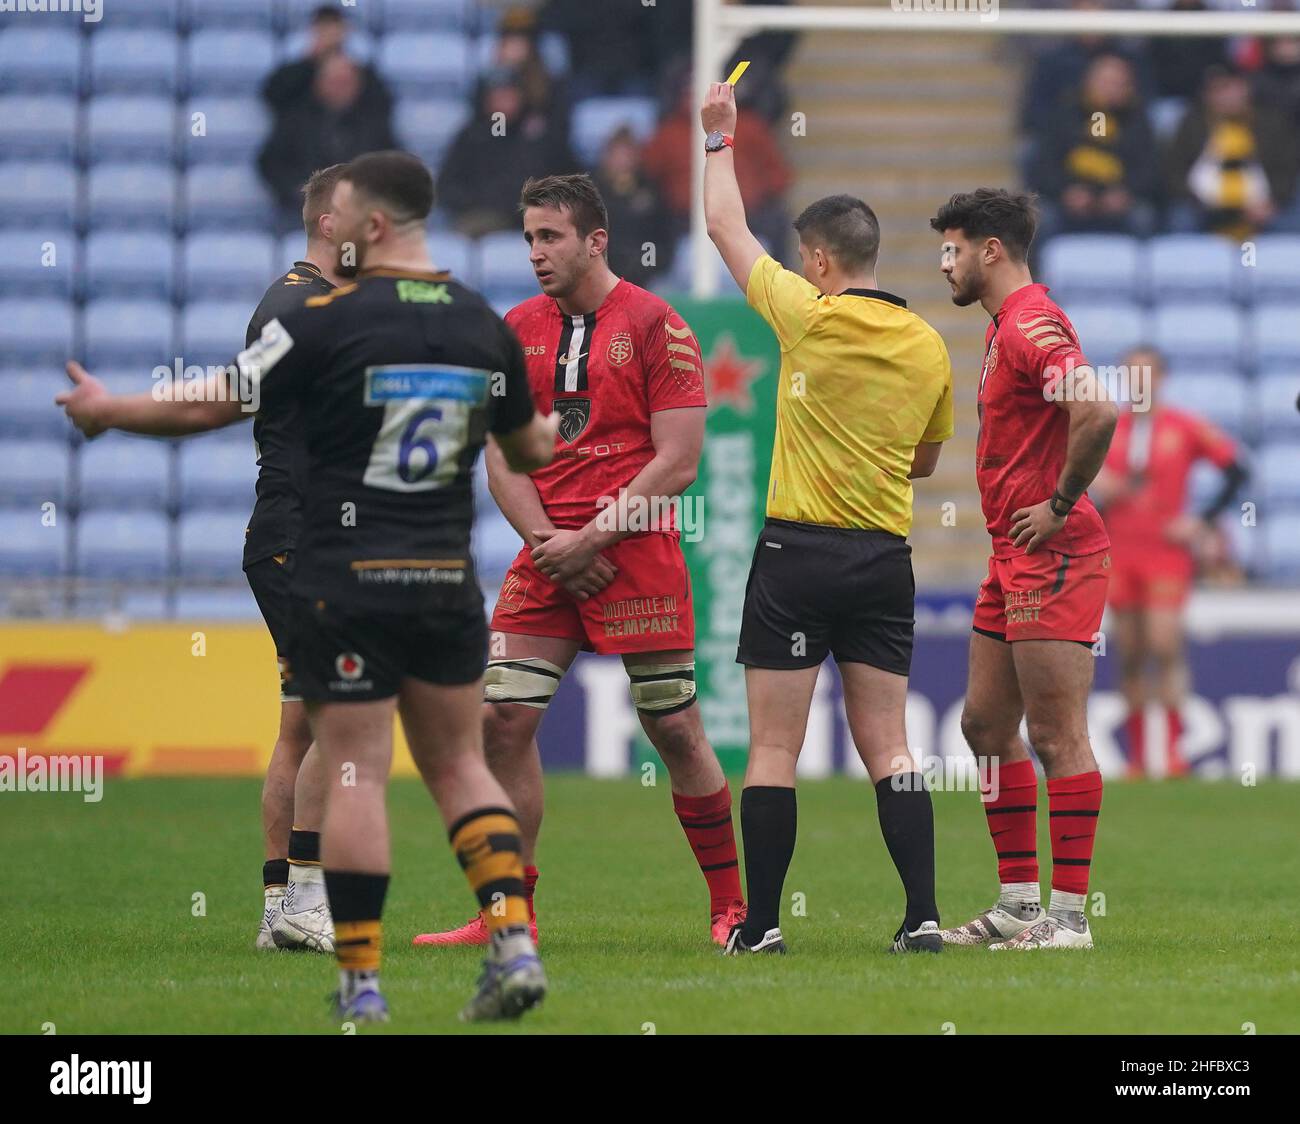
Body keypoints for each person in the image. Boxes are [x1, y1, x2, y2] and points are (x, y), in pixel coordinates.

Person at [58, 151, 559, 1024]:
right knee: (459, 766)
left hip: (348, 575)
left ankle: (362, 986)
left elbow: (215, 401)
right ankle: (512, 942)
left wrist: (111, 411)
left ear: (368, 226)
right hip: (444, 577)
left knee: (357, 769)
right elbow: (530, 453)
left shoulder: (329, 317)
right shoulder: (483, 324)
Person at [414, 173, 747, 949]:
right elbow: (499, 455)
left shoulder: (658, 325)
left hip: (632, 553)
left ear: (596, 240)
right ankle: (507, 913)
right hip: (546, 556)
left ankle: (732, 908)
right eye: (529, 237)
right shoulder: (513, 329)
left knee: (675, 731)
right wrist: (546, 546)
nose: (534, 252)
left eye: (550, 236)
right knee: (500, 723)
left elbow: (680, 460)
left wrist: (592, 539)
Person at [702, 81, 955, 956]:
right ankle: (922, 916)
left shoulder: (806, 318)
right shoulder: (929, 344)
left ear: (817, 261)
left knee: (774, 748)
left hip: (796, 553)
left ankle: (764, 926)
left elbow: (726, 230)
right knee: (890, 744)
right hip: (884, 557)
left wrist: (716, 141)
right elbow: (925, 460)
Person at [930, 188, 1118, 951]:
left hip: (1055, 552)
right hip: (1013, 558)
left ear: (991, 251)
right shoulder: (1009, 324)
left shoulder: (1031, 323)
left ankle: (1069, 920)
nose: (946, 263)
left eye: (954, 249)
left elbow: (1098, 410)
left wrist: (1061, 502)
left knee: (1055, 733)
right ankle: (1018, 904)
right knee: (982, 724)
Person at [243, 163, 349, 955]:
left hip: (294, 534)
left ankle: (279, 907)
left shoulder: (304, 302)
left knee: (300, 727)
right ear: (329, 221)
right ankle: (307, 901)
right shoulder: (299, 304)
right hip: (300, 538)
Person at [1092, 347, 1248, 779]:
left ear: (1161, 379)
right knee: (1130, 652)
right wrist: (1094, 480)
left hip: (1165, 553)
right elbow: (1070, 477)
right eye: (1130, 376)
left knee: (1164, 645)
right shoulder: (1107, 426)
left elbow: (1237, 469)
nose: (1137, 384)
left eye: (1145, 375)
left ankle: (1175, 754)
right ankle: (1141, 758)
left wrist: (1201, 521)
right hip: (1119, 550)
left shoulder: (1184, 426)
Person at [258, 51, 397, 228]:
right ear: (318, 83)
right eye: (334, 82)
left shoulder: (374, 124)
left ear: (358, 86)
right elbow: (269, 164)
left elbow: (393, 166)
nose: (340, 88)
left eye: (346, 82)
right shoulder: (295, 121)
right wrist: (300, 191)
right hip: (303, 216)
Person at [436, 68, 579, 237]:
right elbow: (447, 185)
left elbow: (569, 178)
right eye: (497, 96)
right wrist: (478, 202)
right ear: (486, 100)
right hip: (482, 215)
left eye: (508, 95)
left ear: (521, 97)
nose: (503, 102)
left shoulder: (542, 135)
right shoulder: (472, 136)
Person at [1030, 53, 1160, 238]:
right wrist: (1065, 191)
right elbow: (1045, 165)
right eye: (1105, 82)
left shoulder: (1138, 121)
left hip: (1121, 199)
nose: (1110, 89)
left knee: (1143, 217)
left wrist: (1126, 193)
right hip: (1068, 197)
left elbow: (1149, 169)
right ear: (1088, 82)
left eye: (1118, 84)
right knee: (1040, 218)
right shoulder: (1065, 115)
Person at [1166, 65, 1299, 239]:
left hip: (1263, 205)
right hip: (1203, 207)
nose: (1226, 96)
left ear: (1245, 88)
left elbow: (1288, 170)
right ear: (1206, 96)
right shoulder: (1192, 125)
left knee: (1292, 221)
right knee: (1181, 219)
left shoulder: (1273, 124)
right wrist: (1198, 201)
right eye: (1216, 90)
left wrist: (1272, 201)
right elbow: (1174, 171)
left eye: (1230, 87)